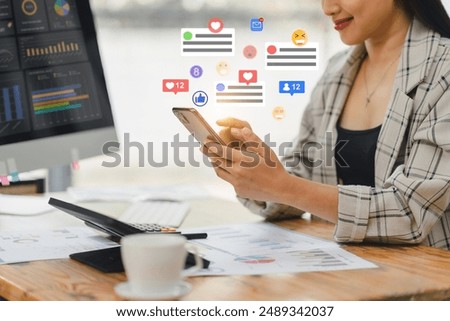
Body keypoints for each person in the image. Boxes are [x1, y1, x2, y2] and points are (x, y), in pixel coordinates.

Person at [203, 0, 450, 250]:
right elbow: (304, 178)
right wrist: (262, 172)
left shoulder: (444, 70)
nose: (328, 8)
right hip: (346, 277)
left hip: (428, 280)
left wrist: (284, 187)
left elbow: (410, 213)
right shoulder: (336, 73)